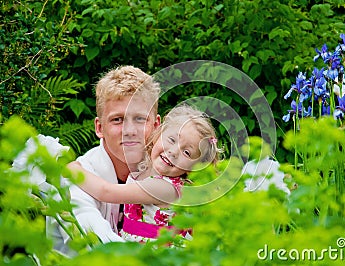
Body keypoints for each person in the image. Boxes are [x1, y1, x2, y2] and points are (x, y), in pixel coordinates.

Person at [46, 65, 161, 256]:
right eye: (117, 120)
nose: (129, 130)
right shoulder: (76, 179)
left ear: (156, 125)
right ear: (99, 128)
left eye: (140, 119)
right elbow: (98, 245)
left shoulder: (167, 174)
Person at [68, 104, 222, 242]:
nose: (174, 151)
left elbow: (105, 192)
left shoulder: (164, 187)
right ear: (158, 133)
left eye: (187, 152)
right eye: (171, 139)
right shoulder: (146, 167)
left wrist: (73, 170)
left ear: (194, 168)